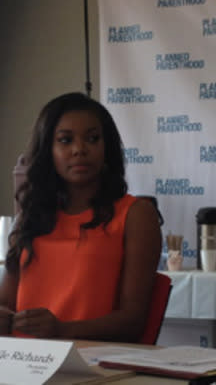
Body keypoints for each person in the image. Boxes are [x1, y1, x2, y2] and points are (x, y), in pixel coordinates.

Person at [0, 92, 161, 341]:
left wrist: (61, 331)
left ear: (106, 147)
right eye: (65, 140)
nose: (79, 150)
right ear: (48, 150)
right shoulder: (30, 218)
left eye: (93, 139)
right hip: (23, 363)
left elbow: (133, 320)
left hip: (92, 366)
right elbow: (6, 303)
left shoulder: (135, 215)